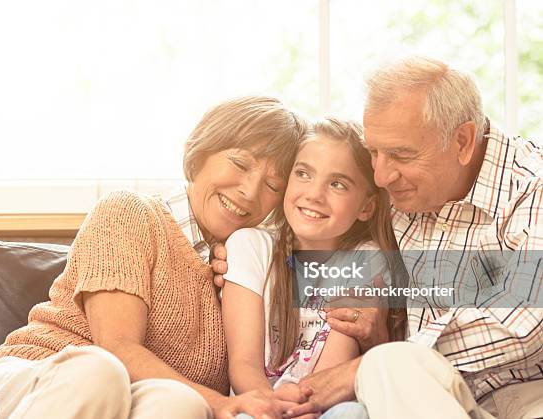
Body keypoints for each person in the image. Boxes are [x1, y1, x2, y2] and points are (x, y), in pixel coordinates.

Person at [213, 56, 543, 419]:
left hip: (524, 395)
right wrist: (227, 245)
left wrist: (368, 366)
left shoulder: (531, 188)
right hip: (421, 393)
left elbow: (525, 323)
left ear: (462, 141)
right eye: (374, 152)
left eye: (400, 155)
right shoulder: (398, 198)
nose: (382, 177)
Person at [0, 96, 313, 419]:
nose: (249, 191)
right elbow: (117, 347)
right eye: (240, 163)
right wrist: (219, 404)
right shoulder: (128, 213)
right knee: (99, 371)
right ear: (201, 152)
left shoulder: (243, 270)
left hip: (116, 401)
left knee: (182, 405)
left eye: (272, 186)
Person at [222, 118, 405, 419]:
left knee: (353, 413)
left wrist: (303, 409)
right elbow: (243, 366)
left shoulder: (366, 260)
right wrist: (271, 408)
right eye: (303, 174)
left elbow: (330, 374)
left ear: (366, 207)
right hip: (257, 404)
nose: (314, 194)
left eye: (337, 184)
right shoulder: (250, 246)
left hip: (321, 404)